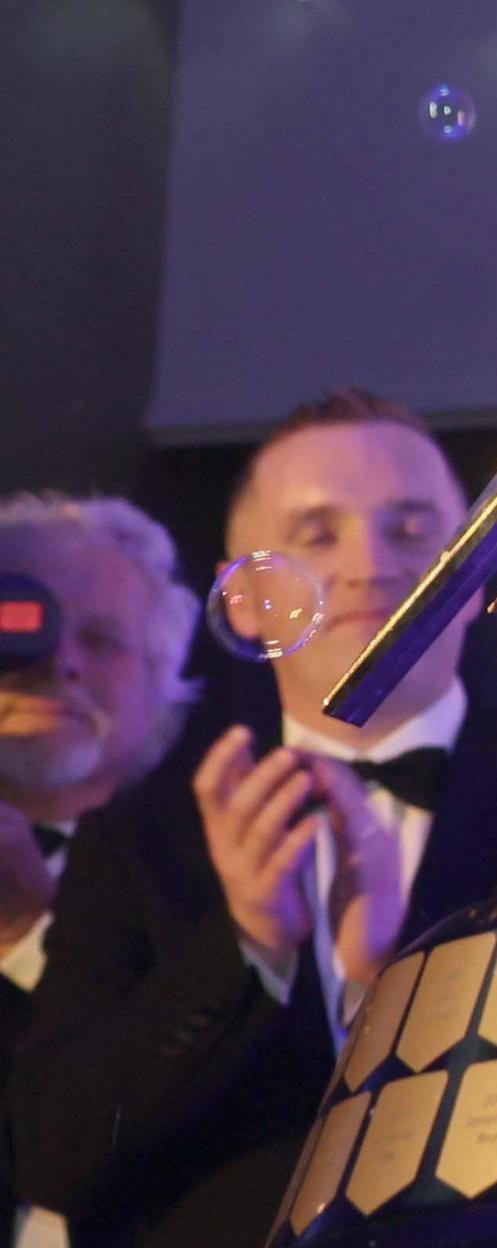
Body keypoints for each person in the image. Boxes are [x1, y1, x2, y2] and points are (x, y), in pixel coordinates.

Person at [9, 392, 497, 1248]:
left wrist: (395, 989)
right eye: (316, 536)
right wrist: (249, 944)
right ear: (244, 601)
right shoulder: (141, 838)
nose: (370, 566)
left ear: (473, 570)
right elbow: (53, 1157)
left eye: (411, 532)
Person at [0, 496, 200, 1248]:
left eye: (102, 639)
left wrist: (29, 934)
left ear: (161, 689)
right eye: (24, 624)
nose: (60, 662)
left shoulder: (222, 880)